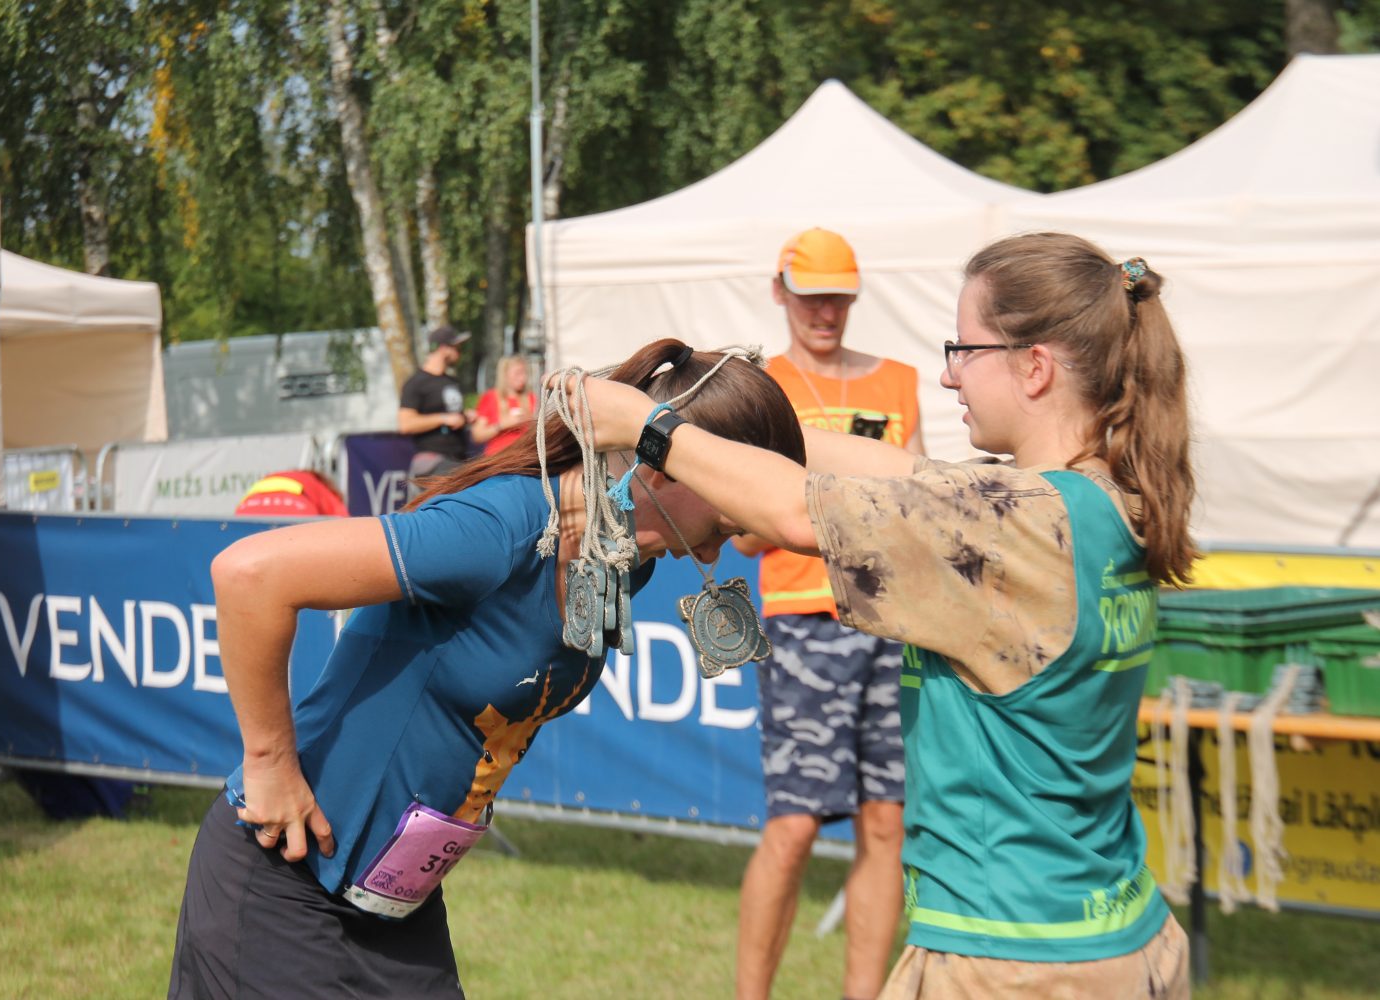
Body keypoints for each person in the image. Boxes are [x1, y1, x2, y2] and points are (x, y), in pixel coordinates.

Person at [568, 233, 1195, 999]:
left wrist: (646, 426)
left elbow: (794, 515)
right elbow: (916, 474)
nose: (948, 373)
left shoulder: (1013, 527)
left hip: (1014, 963)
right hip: (1120, 937)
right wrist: (751, 428)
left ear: (1035, 367)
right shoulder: (1099, 500)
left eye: (965, 350)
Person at [168, 339, 806, 999]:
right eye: (721, 523)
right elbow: (249, 576)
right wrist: (269, 762)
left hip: (396, 907)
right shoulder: (495, 532)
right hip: (287, 878)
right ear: (663, 470)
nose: (721, 549)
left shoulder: (624, 554)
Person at [733, 228, 923, 1000]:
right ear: (780, 292)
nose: (825, 311)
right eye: (811, 296)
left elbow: (921, 510)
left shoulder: (901, 383)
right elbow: (743, 531)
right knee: (795, 826)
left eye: (839, 296)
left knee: (887, 824)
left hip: (893, 622)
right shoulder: (760, 388)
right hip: (804, 622)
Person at [398, 325, 473, 484]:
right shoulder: (416, 383)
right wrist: (443, 418)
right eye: (456, 347)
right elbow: (406, 424)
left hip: (459, 458)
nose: (459, 352)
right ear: (444, 348)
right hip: (432, 461)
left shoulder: (451, 381)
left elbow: (453, 414)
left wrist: (466, 416)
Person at [471, 354, 538, 456]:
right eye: (518, 373)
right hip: (497, 458)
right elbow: (477, 436)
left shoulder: (532, 398)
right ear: (505, 375)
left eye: (525, 373)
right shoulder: (491, 397)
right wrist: (502, 425)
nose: (523, 378)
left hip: (524, 457)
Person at [234, 469, 349, 517]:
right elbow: (343, 524)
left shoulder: (271, 478)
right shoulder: (319, 484)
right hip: (298, 515)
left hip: (244, 512)